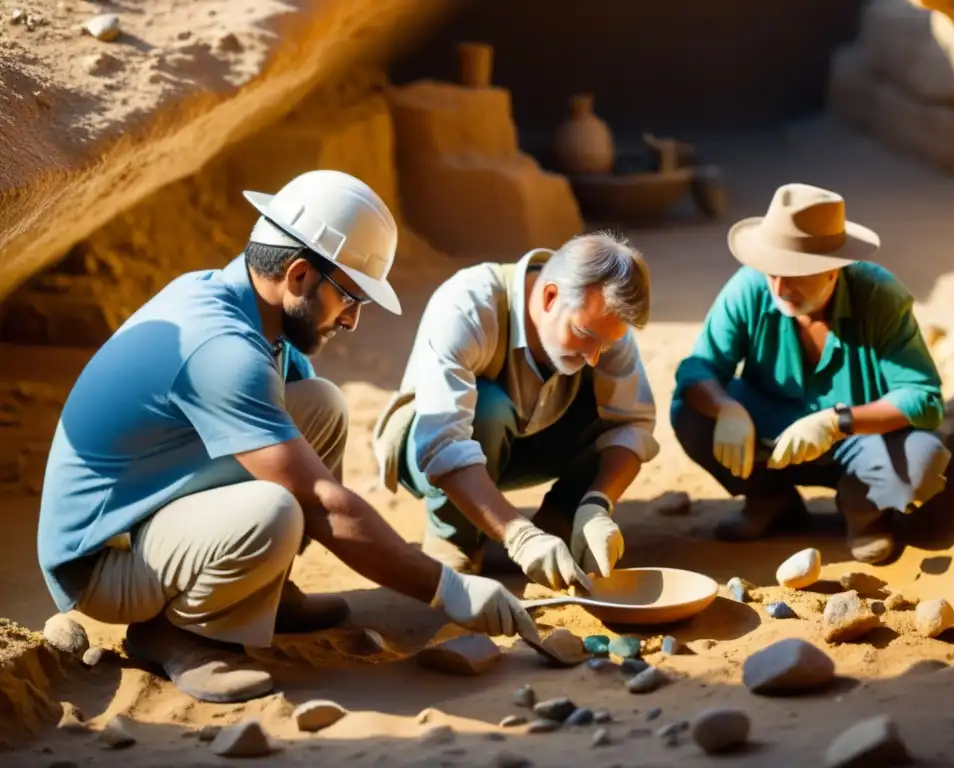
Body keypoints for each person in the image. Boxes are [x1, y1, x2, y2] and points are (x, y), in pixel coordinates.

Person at [36, 170, 541, 704]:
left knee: (321, 407)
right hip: (102, 561)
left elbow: (308, 437)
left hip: (144, 512)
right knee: (278, 509)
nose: (351, 321)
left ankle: (259, 591)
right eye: (350, 298)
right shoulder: (223, 351)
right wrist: (448, 588)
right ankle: (177, 632)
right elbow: (325, 505)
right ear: (299, 276)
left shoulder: (242, 304)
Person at [670, 182, 951, 564]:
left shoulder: (879, 296)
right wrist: (725, 409)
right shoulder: (751, 287)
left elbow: (923, 397)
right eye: (772, 272)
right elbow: (698, 367)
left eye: (795, 273)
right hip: (768, 428)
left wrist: (838, 421)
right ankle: (771, 499)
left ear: (834, 269)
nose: (780, 287)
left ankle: (865, 514)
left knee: (922, 459)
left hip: (861, 438)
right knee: (690, 413)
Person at [373, 232, 659, 588]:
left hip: (530, 437)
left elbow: (631, 424)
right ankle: (457, 536)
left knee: (604, 402)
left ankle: (561, 522)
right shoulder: (469, 305)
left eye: (606, 343)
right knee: (488, 406)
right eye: (584, 334)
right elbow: (442, 442)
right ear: (550, 296)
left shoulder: (600, 322)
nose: (594, 355)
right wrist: (518, 535)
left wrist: (597, 503)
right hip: (431, 447)